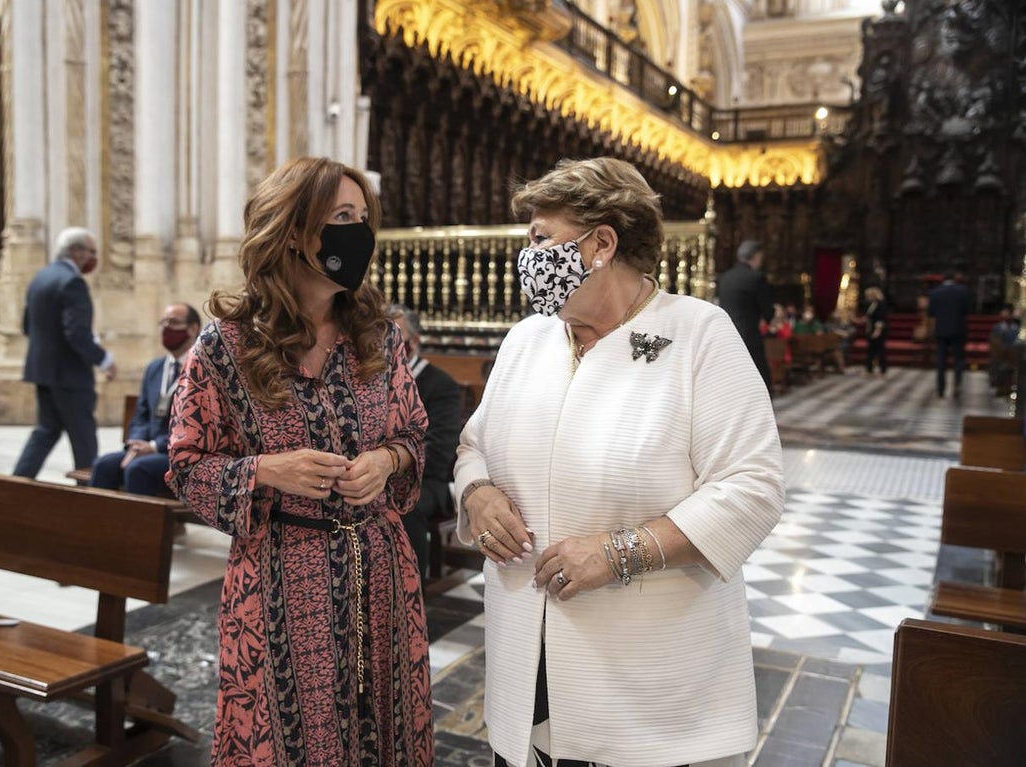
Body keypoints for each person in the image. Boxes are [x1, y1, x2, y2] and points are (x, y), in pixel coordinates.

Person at [455, 157, 783, 767]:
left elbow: (752, 487)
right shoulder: (527, 339)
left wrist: (620, 553)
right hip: (527, 654)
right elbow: (474, 445)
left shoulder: (699, 334)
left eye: (541, 239)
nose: (528, 257)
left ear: (601, 244)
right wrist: (477, 494)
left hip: (647, 675)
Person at [166, 156, 433, 765]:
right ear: (293, 231)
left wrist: (386, 461)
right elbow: (186, 464)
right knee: (289, 738)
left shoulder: (379, 336)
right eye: (342, 218)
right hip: (281, 573)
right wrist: (266, 470)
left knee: (383, 728)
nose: (358, 233)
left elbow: (415, 433)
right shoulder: (225, 347)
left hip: (380, 571)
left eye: (363, 218)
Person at [13, 227, 117, 478]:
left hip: (43, 371)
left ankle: (17, 484)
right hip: (70, 375)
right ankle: (88, 495)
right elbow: (76, 333)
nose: (93, 258)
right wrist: (104, 359)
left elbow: (27, 326)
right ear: (76, 251)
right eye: (91, 252)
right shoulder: (72, 282)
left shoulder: (41, 278)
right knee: (83, 438)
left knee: (46, 431)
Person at [89, 303, 200, 496]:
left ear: (192, 329)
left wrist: (154, 446)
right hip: (146, 449)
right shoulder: (155, 368)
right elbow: (141, 414)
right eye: (163, 322)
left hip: (181, 454)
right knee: (103, 465)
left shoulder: (201, 370)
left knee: (138, 469)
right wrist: (137, 442)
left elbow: (195, 425)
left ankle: (138, 518)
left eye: (174, 322)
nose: (166, 328)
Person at [387, 303, 463, 582]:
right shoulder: (371, 381)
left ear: (414, 341)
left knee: (406, 504)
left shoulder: (440, 384)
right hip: (380, 472)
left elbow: (439, 450)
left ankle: (410, 588)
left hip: (426, 479)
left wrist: (392, 468)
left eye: (394, 339)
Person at [717, 239, 775, 390]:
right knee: (760, 380)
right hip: (749, 337)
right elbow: (768, 312)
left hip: (726, 336)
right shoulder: (756, 278)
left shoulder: (724, 277)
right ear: (756, 256)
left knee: (731, 379)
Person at [927, 266, 971, 398]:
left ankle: (941, 389)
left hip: (941, 330)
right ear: (955, 278)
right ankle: (957, 384)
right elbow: (968, 310)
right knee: (959, 359)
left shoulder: (935, 292)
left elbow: (931, 313)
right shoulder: (963, 291)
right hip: (958, 329)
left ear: (943, 279)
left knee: (941, 361)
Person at [863, 286, 889, 376]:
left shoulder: (881, 304)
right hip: (870, 329)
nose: (867, 298)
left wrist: (877, 331)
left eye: (868, 295)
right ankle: (869, 369)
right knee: (870, 350)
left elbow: (881, 319)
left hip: (878, 330)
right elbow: (869, 317)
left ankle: (882, 369)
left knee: (880, 350)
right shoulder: (872, 304)